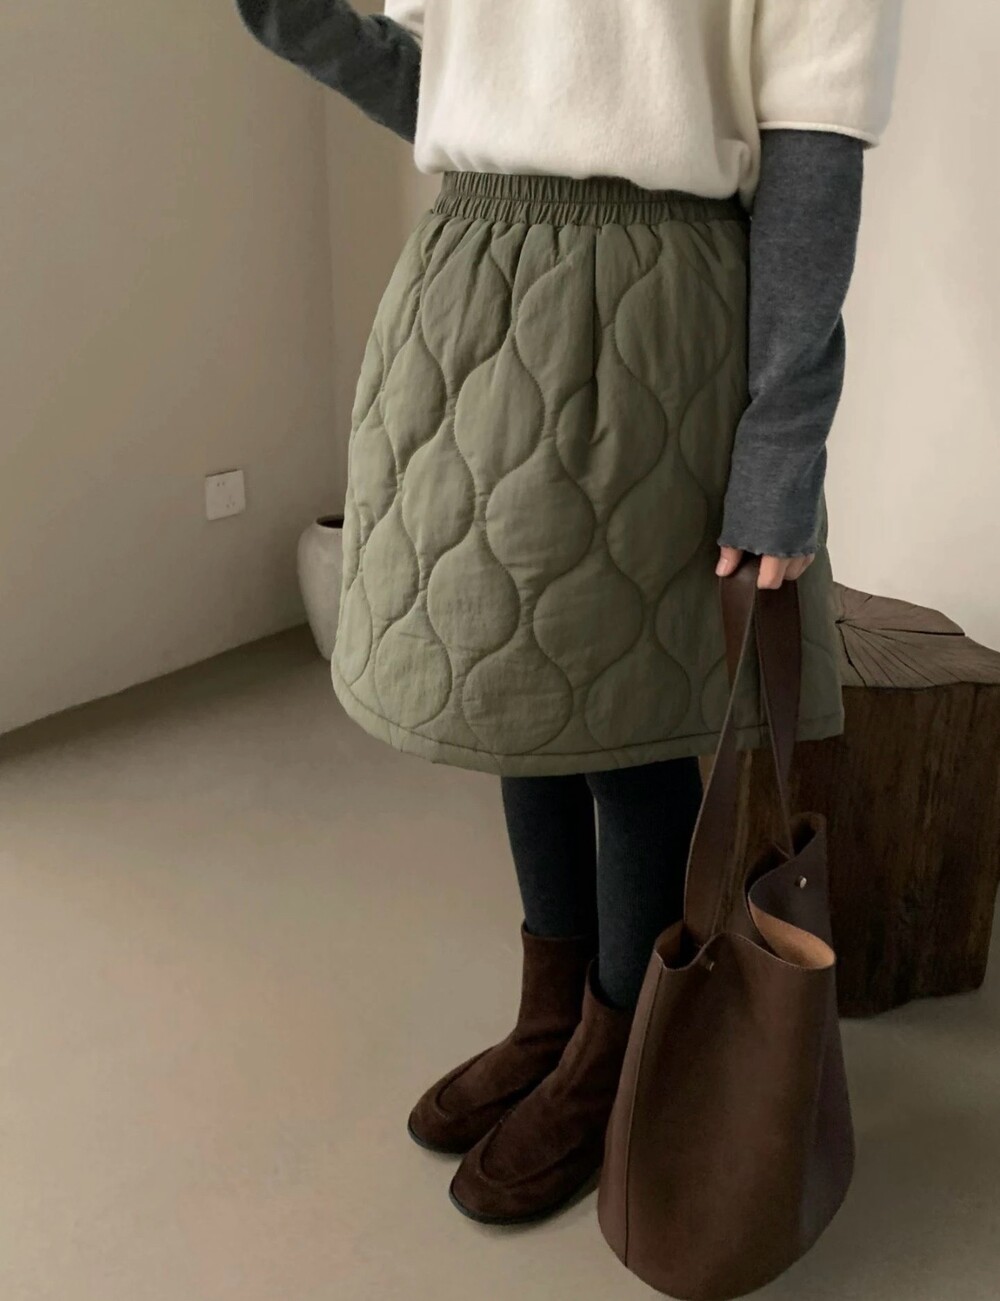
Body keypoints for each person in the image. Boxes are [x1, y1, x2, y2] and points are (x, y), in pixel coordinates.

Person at [233, 0, 903, 1227]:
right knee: (515, 687)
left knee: (628, 722)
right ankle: (550, 1020)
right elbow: (444, 87)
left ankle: (616, 1045)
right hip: (468, 285)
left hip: (654, 304)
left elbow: (813, 162)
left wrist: (782, 443)